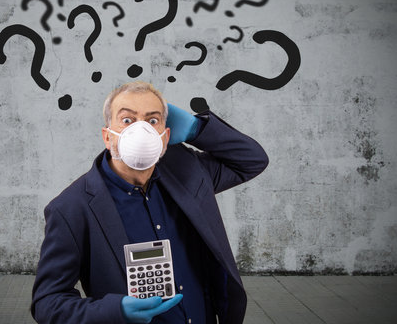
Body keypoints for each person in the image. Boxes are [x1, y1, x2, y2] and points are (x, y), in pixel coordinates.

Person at [31, 81, 269, 324]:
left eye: (152, 120)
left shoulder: (189, 172)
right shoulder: (71, 208)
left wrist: (197, 129)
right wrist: (116, 311)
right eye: (127, 120)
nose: (141, 129)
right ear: (107, 136)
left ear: (165, 137)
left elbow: (252, 160)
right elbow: (48, 303)